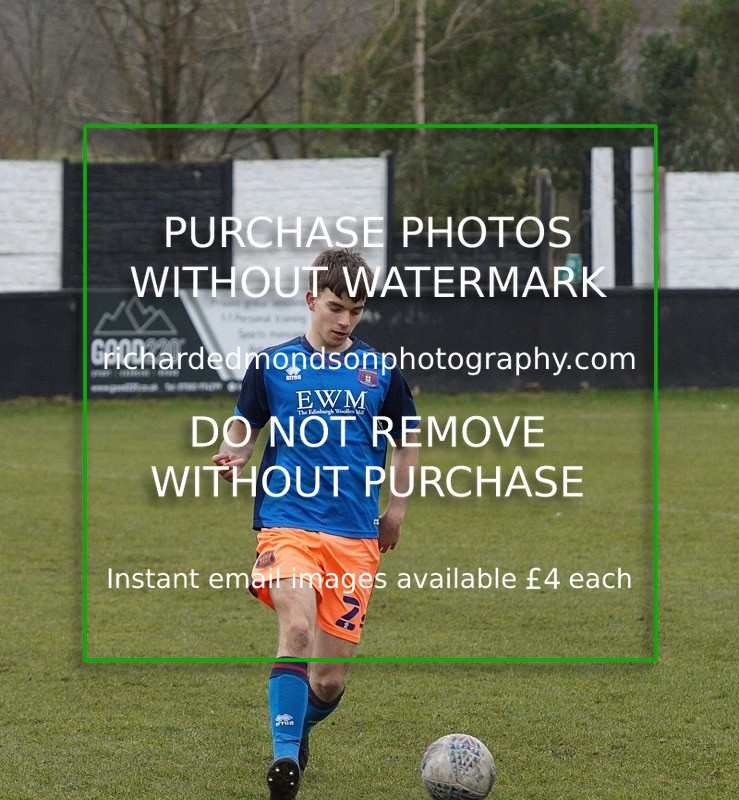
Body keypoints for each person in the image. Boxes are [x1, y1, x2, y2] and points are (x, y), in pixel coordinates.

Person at [212, 248, 419, 800]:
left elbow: (407, 442)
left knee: (327, 681)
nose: (344, 320)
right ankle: (285, 768)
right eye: (334, 307)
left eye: (355, 310)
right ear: (311, 301)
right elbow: (244, 424)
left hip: (355, 536)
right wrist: (235, 453)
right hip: (287, 523)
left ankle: (297, 727)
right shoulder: (272, 365)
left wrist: (395, 510)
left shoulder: (383, 372)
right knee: (296, 632)